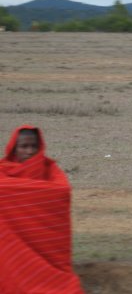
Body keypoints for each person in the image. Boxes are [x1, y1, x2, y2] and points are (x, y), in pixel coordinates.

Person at [0, 125, 84, 293]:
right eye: (24, 146)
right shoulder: (3, 171)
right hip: (12, 249)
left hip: (46, 248)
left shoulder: (50, 169)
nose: (30, 151)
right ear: (13, 148)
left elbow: (61, 191)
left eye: (34, 146)